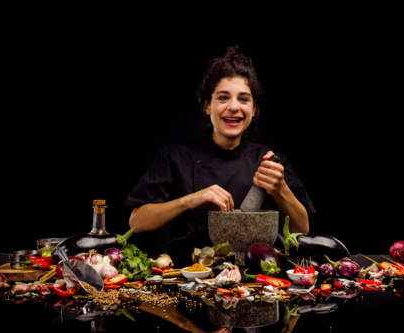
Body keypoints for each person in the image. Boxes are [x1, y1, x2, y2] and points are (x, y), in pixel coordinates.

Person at [125, 46, 315, 269]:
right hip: (187, 276)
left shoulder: (271, 162)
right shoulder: (175, 157)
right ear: (207, 106)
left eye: (243, 99)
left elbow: (302, 229)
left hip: (256, 281)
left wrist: (280, 188)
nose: (233, 107)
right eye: (223, 97)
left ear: (254, 110)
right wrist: (190, 200)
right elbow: (136, 222)